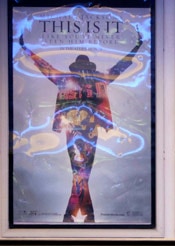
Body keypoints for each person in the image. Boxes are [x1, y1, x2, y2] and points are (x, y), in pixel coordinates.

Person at [19, 30, 143, 223]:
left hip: (89, 131)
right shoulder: (72, 80)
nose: (83, 70)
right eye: (81, 67)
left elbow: (121, 66)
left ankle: (77, 214)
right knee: (80, 172)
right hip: (75, 131)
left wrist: (137, 47)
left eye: (85, 67)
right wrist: (26, 49)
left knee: (82, 172)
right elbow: (44, 66)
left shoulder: (93, 80)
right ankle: (82, 215)